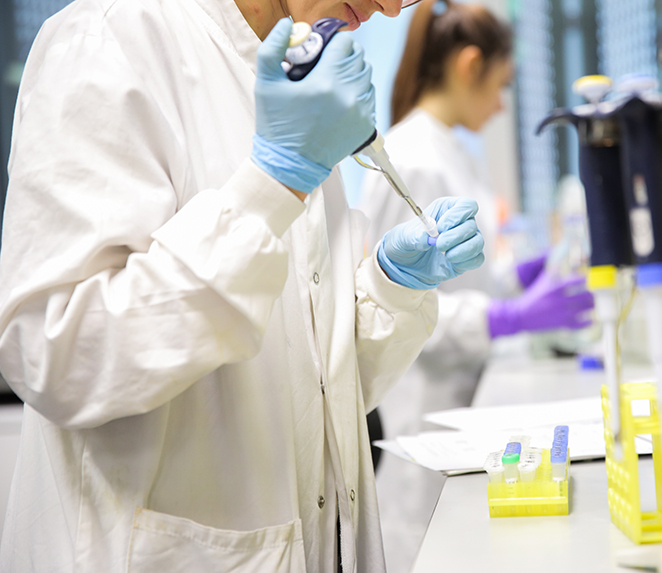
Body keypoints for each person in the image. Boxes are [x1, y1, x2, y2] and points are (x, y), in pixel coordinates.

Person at [0, 0, 485, 571]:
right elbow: (57, 356)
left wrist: (390, 287)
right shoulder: (108, 37)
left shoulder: (288, 75)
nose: (392, 5)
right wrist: (273, 183)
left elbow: (314, 395)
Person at [361, 0, 594, 425]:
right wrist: (511, 316)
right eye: (503, 84)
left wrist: (521, 274)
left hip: (463, 395)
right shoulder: (413, 156)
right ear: (470, 65)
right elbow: (395, 304)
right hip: (423, 409)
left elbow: (461, 279)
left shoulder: (452, 151)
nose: (503, 104)